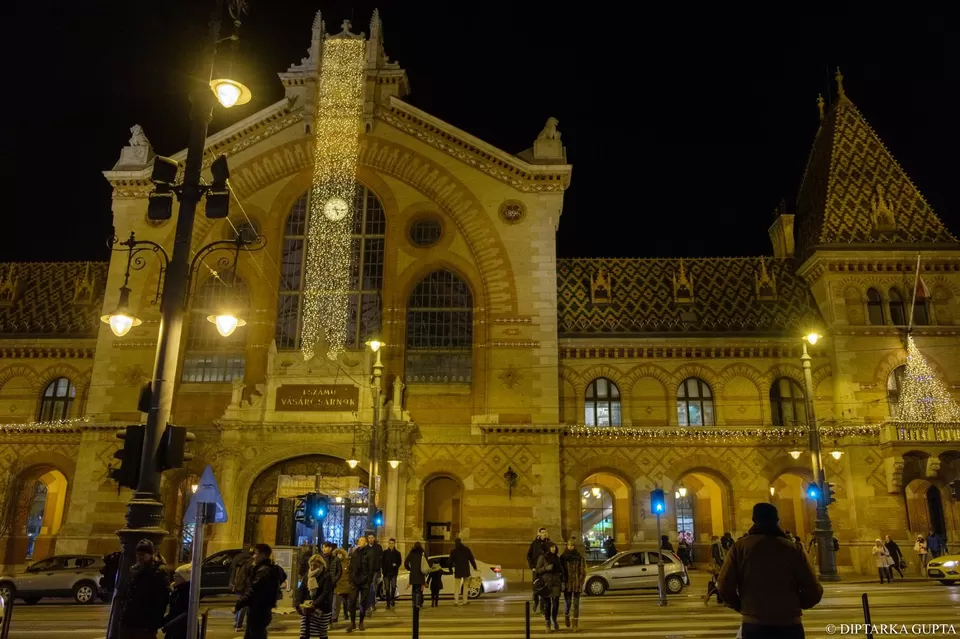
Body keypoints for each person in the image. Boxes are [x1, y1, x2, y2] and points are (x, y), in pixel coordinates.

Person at [717, 503, 823, 639]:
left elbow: (724, 585)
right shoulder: (793, 549)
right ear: (777, 520)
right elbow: (813, 590)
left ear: (754, 519)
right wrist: (796, 605)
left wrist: (742, 606)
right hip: (789, 624)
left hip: (754, 624)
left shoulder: (740, 547)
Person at [118, 538, 170, 639]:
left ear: (150, 554)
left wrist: (154, 622)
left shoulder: (158, 572)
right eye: (138, 554)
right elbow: (128, 594)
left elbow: (162, 600)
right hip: (129, 622)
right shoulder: (134, 569)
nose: (139, 556)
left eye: (143, 554)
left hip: (145, 624)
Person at [234, 543, 283, 639]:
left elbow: (253, 591)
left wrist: (238, 605)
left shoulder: (263, 571)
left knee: (256, 634)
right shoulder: (267, 568)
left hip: (258, 612)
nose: (253, 556)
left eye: (256, 553)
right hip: (260, 611)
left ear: (263, 555)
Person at [296, 554, 333, 639]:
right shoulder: (307, 575)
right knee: (304, 632)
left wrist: (315, 604)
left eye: (315, 565)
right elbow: (301, 590)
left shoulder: (326, 576)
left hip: (322, 608)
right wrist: (297, 604)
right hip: (308, 607)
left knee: (322, 632)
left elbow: (325, 592)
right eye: (311, 564)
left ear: (321, 565)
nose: (312, 567)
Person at [348, 537, 374, 632]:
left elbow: (371, 568)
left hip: (365, 582)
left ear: (366, 543)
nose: (359, 542)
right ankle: (352, 622)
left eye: (362, 540)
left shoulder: (369, 553)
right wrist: (350, 578)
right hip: (355, 581)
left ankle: (361, 622)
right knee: (352, 601)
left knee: (363, 602)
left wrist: (368, 580)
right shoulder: (355, 552)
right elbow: (350, 566)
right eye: (359, 541)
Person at [535, 541, 562, 633]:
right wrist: (546, 569)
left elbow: (561, 570)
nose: (553, 549)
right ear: (548, 548)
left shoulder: (557, 558)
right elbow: (537, 570)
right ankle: (547, 624)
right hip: (546, 585)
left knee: (555, 605)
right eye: (551, 547)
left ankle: (554, 619)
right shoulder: (542, 558)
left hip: (556, 584)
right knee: (547, 605)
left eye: (554, 547)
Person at [560, 537, 586, 632]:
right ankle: (566, 616)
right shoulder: (563, 557)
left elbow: (583, 570)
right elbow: (561, 571)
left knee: (576, 605)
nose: (570, 547)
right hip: (567, 584)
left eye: (572, 545)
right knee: (568, 603)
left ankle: (575, 624)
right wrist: (563, 581)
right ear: (567, 546)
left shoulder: (579, 557)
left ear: (574, 546)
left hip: (576, 583)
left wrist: (580, 580)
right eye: (569, 545)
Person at [160, 564, 191, 639]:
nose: (174, 577)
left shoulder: (187, 592)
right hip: (174, 628)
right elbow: (173, 611)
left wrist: (170, 624)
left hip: (181, 629)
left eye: (176, 576)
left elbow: (186, 612)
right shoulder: (176, 590)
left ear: (183, 578)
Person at [448, 537, 478, 606]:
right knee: (465, 586)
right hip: (465, 570)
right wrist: (475, 567)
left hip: (458, 570)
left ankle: (456, 601)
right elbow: (471, 559)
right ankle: (465, 601)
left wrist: (450, 569)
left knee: (457, 586)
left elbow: (450, 562)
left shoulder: (453, 551)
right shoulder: (466, 549)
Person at [526, 528, 549, 615]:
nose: (544, 534)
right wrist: (532, 567)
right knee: (536, 588)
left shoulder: (548, 543)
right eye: (542, 532)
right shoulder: (534, 543)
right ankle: (535, 603)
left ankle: (542, 609)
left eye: (545, 532)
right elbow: (529, 556)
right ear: (539, 534)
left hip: (544, 570)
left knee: (544, 589)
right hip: (536, 570)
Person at [232, 548, 255, 632]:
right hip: (244, 587)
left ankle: (236, 622)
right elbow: (250, 577)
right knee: (243, 606)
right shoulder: (251, 562)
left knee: (240, 603)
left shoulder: (241, 560)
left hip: (238, 585)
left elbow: (236, 573)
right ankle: (238, 625)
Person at [319, 542, 342, 624]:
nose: (323, 549)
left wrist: (334, 580)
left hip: (330, 584)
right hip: (320, 583)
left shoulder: (335, 559)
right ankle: (320, 620)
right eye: (323, 547)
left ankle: (329, 621)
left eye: (325, 547)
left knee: (330, 602)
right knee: (320, 602)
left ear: (330, 548)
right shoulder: (319, 558)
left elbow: (339, 571)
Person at [332, 548, 354, 629]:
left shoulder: (347, 563)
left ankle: (347, 614)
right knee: (336, 603)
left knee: (347, 602)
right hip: (337, 585)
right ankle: (335, 617)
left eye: (340, 554)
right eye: (338, 554)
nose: (339, 556)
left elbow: (350, 573)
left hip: (346, 584)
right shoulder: (334, 562)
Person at [403, 541, 428, 609]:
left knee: (414, 589)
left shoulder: (412, 553)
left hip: (413, 574)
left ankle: (414, 603)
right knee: (420, 590)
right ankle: (419, 602)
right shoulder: (423, 553)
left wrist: (409, 569)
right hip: (421, 574)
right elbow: (426, 563)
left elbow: (406, 562)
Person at [380, 539, 402, 610]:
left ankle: (392, 599)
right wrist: (383, 570)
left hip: (394, 573)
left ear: (394, 544)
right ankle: (388, 603)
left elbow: (400, 562)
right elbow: (382, 562)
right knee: (387, 589)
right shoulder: (385, 552)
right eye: (390, 543)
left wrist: (396, 565)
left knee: (393, 587)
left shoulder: (397, 553)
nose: (391, 544)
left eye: (392, 543)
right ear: (388, 544)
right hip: (386, 573)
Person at [365, 534, 383, 615]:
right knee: (368, 587)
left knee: (373, 586)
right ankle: (369, 603)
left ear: (374, 538)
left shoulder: (378, 547)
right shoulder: (366, 548)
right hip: (367, 570)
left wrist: (380, 568)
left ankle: (372, 603)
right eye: (369, 538)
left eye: (372, 538)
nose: (370, 539)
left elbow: (381, 558)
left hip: (375, 570)